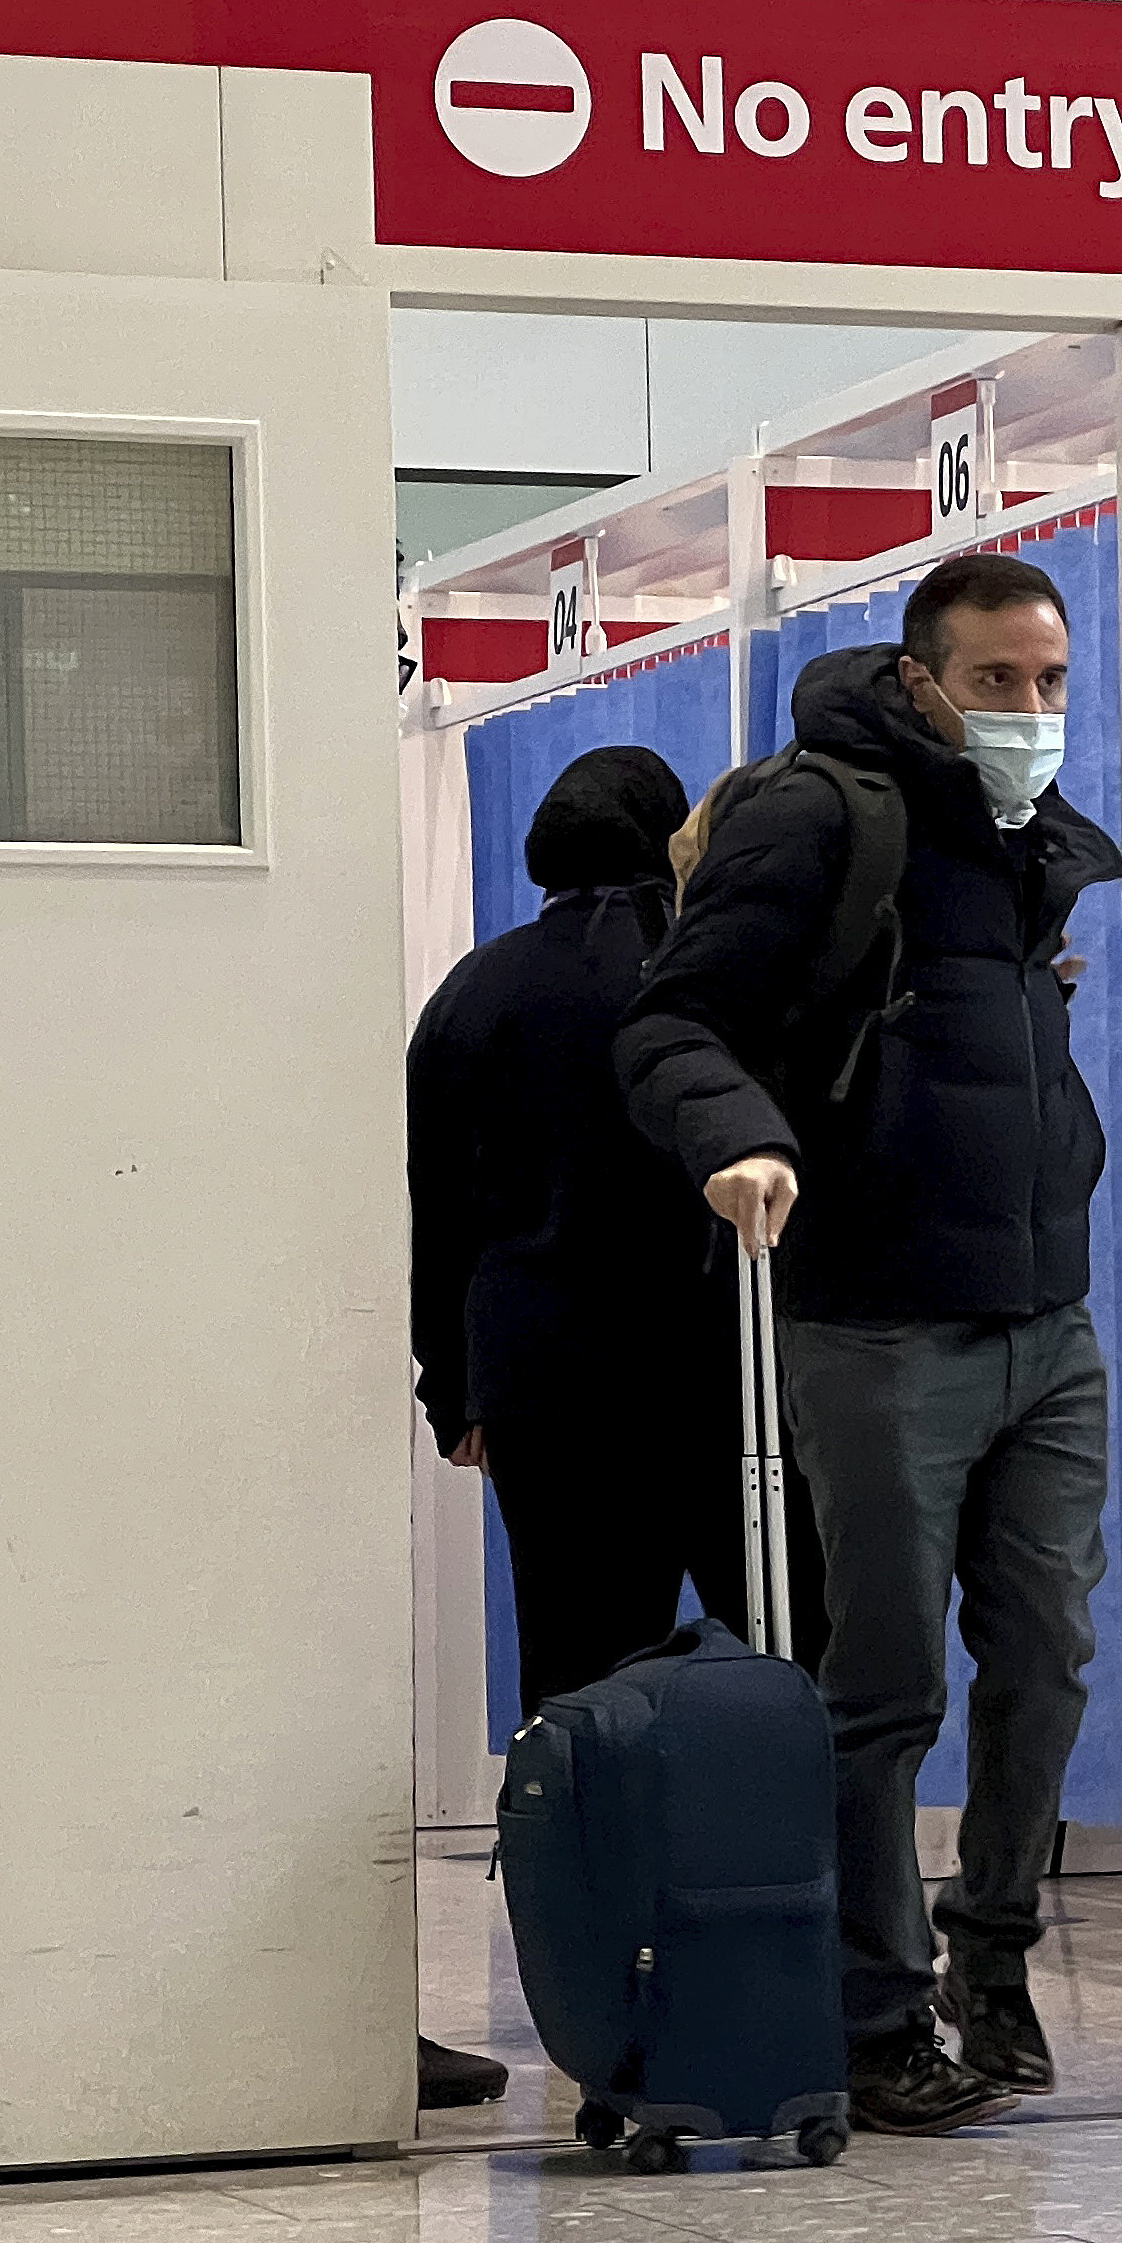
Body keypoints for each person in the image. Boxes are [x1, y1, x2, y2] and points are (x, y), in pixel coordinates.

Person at [617, 554, 1122, 2142]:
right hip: (875, 1320)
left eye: (1050, 681)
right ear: (921, 679)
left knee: (1045, 1659)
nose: (1030, 711)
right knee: (885, 1682)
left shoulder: (1024, 842)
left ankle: (993, 1959)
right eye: (997, 681)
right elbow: (668, 1023)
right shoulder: (825, 813)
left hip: (1046, 1321)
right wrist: (736, 1140)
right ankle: (876, 2003)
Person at [407, 744, 821, 2119]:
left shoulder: (470, 992)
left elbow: (436, 1212)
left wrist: (449, 1384)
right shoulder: (699, 981)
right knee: (781, 1669)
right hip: (718, 1378)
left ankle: (600, 2004)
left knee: (583, 1691)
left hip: (541, 1380)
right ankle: (785, 1975)